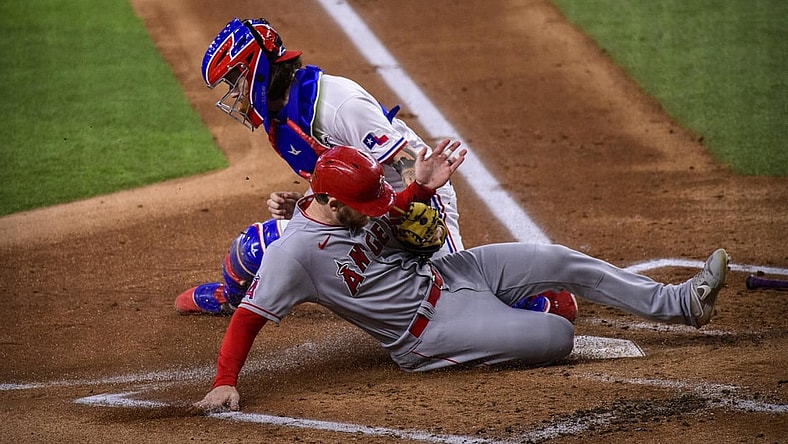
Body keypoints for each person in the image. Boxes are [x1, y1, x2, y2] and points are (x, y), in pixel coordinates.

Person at [193, 142, 729, 412]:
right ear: (331, 203)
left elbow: (390, 210)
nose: (376, 207)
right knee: (557, 337)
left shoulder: (344, 199)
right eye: (365, 203)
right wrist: (224, 383)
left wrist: (420, 188)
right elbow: (247, 318)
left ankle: (681, 303)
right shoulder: (294, 256)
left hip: (449, 270)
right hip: (430, 332)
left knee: (558, 258)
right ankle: (505, 325)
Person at [177, 16, 574, 316]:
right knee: (256, 247)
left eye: (235, 79)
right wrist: (307, 202)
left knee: (453, 297)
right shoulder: (283, 121)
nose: (234, 94)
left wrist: (401, 224)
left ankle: (536, 300)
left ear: (258, 70)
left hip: (416, 202)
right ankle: (231, 299)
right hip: (359, 212)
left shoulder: (337, 103)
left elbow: (406, 170)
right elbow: (343, 179)